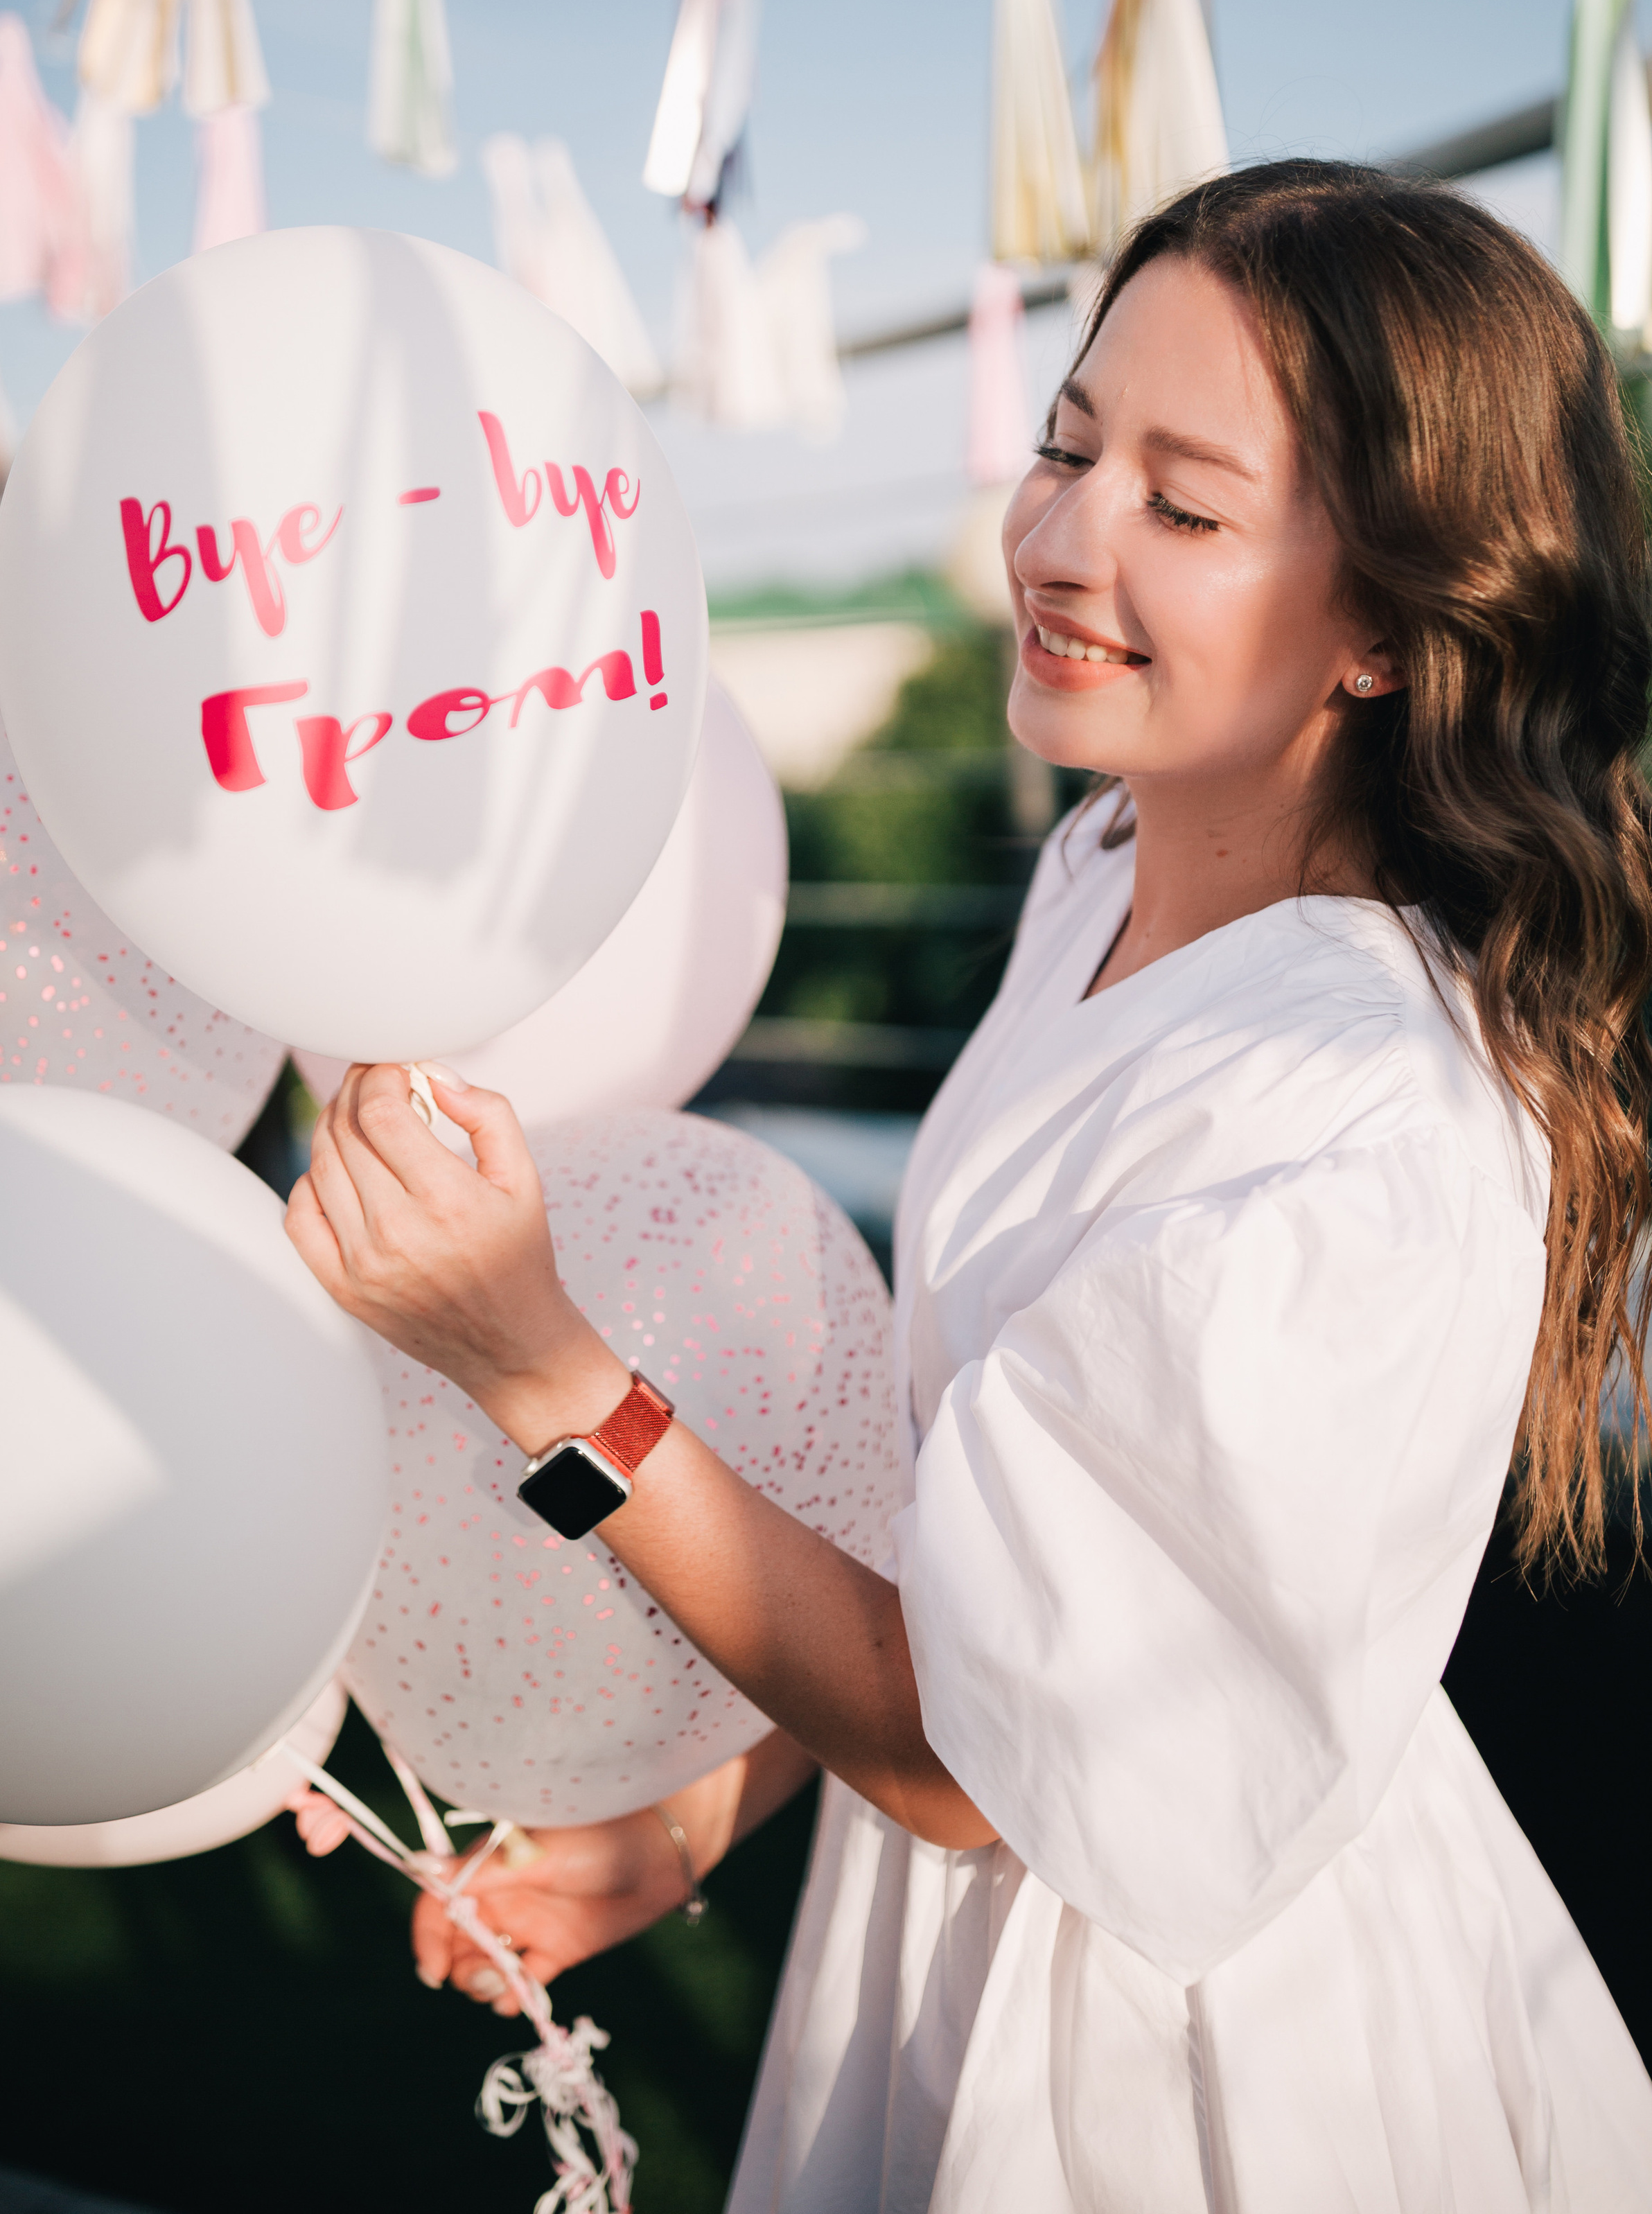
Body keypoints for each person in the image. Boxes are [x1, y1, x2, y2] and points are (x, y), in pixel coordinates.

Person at [285, 161, 1652, 2210]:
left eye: (1183, 508)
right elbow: (978, 1519)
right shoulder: (1096, 872)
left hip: (1167, 2056)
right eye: (1066, 445)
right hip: (931, 1919)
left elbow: (965, 1749)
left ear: (1382, 622)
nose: (1059, 538)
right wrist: (691, 1824)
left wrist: (542, 1370)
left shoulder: (1351, 1118)